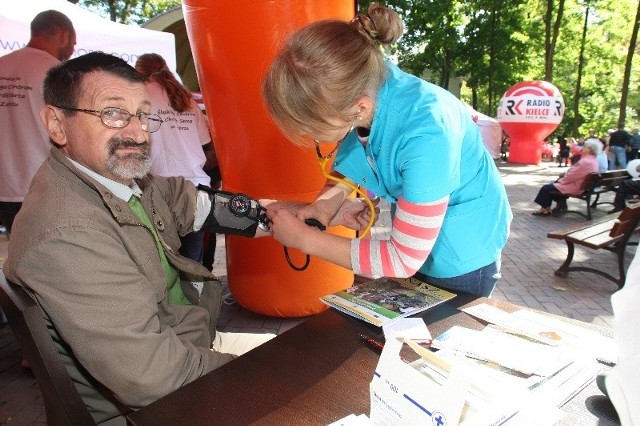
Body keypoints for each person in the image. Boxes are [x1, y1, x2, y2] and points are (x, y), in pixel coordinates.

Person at [4, 52, 274, 425]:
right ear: (56, 123)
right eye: (112, 113)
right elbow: (153, 377)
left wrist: (277, 217)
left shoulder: (114, 179)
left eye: (144, 114)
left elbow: (189, 201)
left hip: (188, 344)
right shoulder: (67, 234)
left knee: (310, 355)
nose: (137, 133)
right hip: (158, 401)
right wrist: (261, 375)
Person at [262, 4, 512, 298]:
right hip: (424, 238)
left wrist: (305, 240)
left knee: (440, 334)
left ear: (360, 109)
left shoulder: (427, 133)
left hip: (463, 251)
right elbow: (351, 160)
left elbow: (402, 259)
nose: (308, 134)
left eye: (312, 127)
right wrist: (323, 207)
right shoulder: (366, 84)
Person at [134, 53, 216, 263]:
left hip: (159, 188)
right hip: (196, 189)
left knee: (163, 260)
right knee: (192, 261)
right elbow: (206, 146)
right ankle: (195, 296)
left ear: (139, 73)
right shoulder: (187, 100)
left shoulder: (140, 97)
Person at [0, 10, 76, 235]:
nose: (72, 50)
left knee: (20, 255)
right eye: (73, 42)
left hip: (4, 185)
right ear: (63, 35)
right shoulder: (59, 73)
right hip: (46, 184)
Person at [531, 138, 601, 216]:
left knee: (546, 188)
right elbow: (574, 173)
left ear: (589, 149)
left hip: (576, 186)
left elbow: (571, 176)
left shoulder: (585, 161)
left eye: (585, 146)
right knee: (552, 186)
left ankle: (544, 209)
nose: (583, 148)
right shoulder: (593, 160)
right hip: (583, 186)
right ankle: (559, 206)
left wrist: (561, 180)